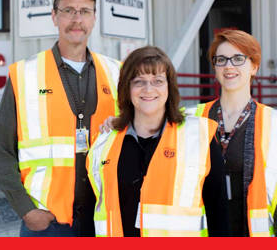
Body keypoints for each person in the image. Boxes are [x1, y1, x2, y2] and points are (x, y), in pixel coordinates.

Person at [0, 0, 121, 237]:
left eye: (84, 11)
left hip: (104, 218)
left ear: (94, 18)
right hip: (47, 223)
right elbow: (2, 151)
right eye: (68, 10)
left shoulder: (117, 72)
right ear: (54, 16)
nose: (77, 18)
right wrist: (26, 210)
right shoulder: (25, 74)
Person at [87, 46, 231, 237]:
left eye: (157, 81)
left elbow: (219, 214)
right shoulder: (104, 142)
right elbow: (90, 215)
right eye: (139, 81)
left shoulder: (199, 137)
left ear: (169, 87)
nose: (148, 89)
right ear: (126, 88)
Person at [186, 30, 277, 237]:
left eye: (238, 58)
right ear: (215, 68)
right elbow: (148, 127)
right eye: (221, 59)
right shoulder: (190, 119)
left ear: (254, 66)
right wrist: (117, 123)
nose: (229, 66)